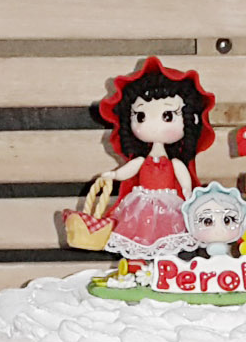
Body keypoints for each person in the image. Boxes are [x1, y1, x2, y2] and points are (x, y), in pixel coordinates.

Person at [85, 58, 216, 258]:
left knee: (169, 237)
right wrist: (114, 174)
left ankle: (167, 265)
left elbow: (184, 180)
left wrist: (189, 194)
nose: (153, 125)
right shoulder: (141, 160)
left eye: (168, 116)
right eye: (141, 116)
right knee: (138, 237)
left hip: (169, 203)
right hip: (141, 202)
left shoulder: (174, 163)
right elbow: (128, 171)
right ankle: (138, 265)